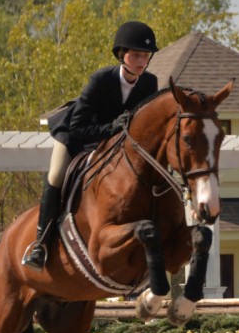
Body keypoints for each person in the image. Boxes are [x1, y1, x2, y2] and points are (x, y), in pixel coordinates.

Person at [22, 21, 159, 270]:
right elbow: (78, 127)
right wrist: (111, 128)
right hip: (77, 135)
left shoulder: (150, 83)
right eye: (136, 55)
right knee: (56, 175)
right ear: (121, 55)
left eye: (146, 56)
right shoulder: (101, 80)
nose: (142, 61)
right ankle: (40, 244)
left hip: (115, 144)